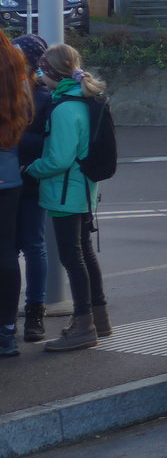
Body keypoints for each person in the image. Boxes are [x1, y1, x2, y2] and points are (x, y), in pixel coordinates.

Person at [23, 44, 112, 350]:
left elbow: (58, 160)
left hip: (64, 193)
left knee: (72, 258)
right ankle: (99, 318)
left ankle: (83, 325)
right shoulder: (83, 100)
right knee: (84, 253)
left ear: (50, 72)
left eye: (40, 68)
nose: (37, 73)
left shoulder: (64, 109)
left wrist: (30, 168)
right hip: (84, 190)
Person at [12, 34, 51, 341]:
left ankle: (35, 312)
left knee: (34, 247)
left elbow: (47, 143)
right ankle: (8, 311)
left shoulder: (44, 97)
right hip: (7, 183)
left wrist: (15, 136)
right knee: (7, 251)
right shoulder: (5, 90)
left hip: (31, 182)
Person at [0, 33, 34, 357]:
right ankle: (7, 330)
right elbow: (26, 109)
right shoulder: (14, 60)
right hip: (8, 172)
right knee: (6, 251)